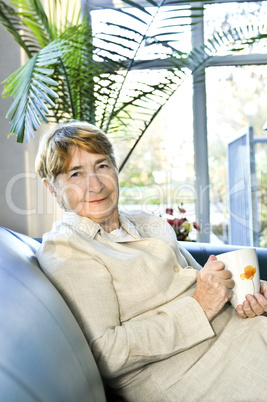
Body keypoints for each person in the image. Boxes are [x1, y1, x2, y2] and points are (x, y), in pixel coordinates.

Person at [35, 121, 267, 402]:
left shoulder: (147, 221)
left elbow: (201, 280)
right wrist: (200, 306)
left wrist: (247, 295)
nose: (95, 185)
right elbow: (107, 353)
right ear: (52, 188)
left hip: (242, 333)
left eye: (102, 166)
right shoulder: (66, 248)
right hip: (197, 373)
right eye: (75, 173)